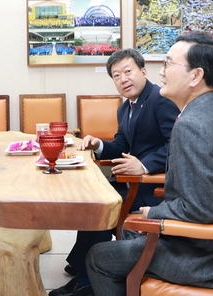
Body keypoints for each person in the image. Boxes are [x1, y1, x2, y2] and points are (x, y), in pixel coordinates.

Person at [86, 31, 213, 296]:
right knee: (127, 233)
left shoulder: (192, 125)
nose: (161, 72)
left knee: (99, 257)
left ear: (195, 76)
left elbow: (199, 211)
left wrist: (151, 213)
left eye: (169, 64)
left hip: (211, 253)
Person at [50, 48, 179, 296]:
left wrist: (143, 165)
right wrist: (97, 144)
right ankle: (82, 263)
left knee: (100, 202)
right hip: (131, 180)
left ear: (143, 71)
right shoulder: (125, 108)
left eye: (128, 71)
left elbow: (176, 143)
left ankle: (87, 279)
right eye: (116, 76)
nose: (123, 79)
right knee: (93, 196)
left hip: (152, 187)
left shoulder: (159, 99)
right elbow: (121, 146)